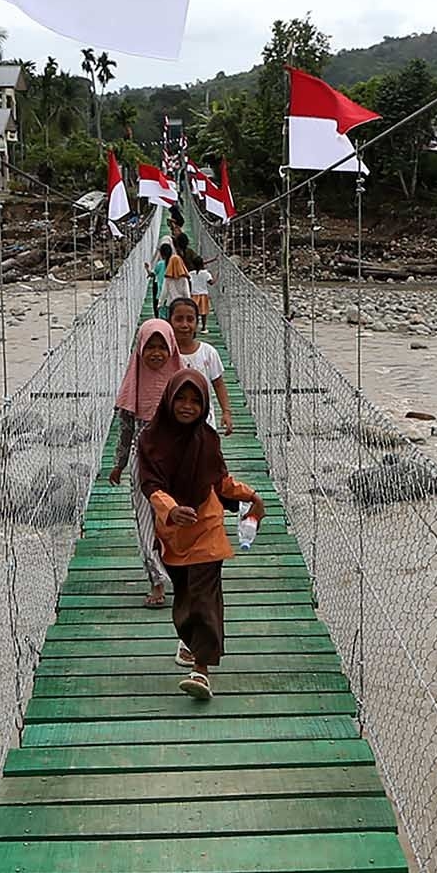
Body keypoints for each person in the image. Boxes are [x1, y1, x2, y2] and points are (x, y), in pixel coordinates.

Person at [136, 368, 262, 699]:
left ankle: (201, 669)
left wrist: (249, 495)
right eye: (181, 398)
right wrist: (170, 509)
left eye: (196, 400)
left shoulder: (207, 439)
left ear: (205, 405)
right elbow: (151, 485)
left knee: (204, 598)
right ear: (169, 399)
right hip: (174, 532)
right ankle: (190, 642)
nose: (188, 406)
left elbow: (219, 480)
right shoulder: (150, 439)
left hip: (207, 526)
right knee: (185, 597)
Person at [108, 318, 180, 607]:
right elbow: (125, 427)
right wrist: (119, 462)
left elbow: (197, 421)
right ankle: (157, 582)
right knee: (145, 518)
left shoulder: (181, 379)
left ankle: (182, 574)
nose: (156, 353)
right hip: (142, 460)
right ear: (139, 349)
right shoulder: (133, 381)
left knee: (174, 519)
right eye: (150, 347)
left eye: (163, 347)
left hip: (177, 460)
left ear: (172, 349)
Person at [165, 295, 232, 434]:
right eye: (178, 319)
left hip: (204, 421)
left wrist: (226, 412)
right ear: (169, 322)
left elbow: (218, 384)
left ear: (197, 323)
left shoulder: (208, 352)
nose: (184, 325)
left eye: (190, 320)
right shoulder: (165, 354)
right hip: (172, 420)